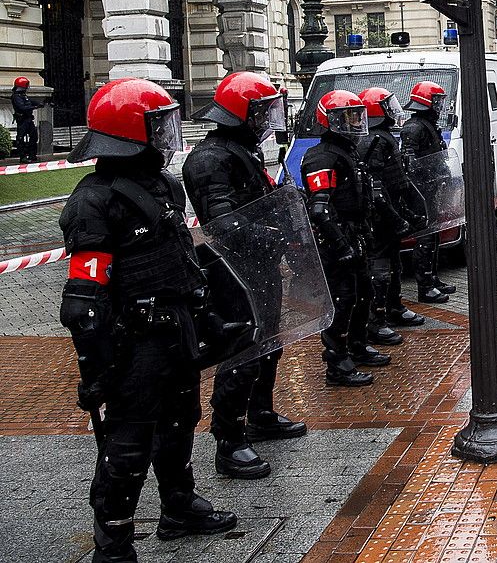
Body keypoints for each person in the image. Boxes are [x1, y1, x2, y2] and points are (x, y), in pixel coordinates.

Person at [60, 78, 237, 562]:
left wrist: (207, 316)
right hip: (132, 343)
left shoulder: (163, 184)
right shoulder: (94, 201)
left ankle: (178, 508)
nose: (165, 136)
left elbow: (180, 258)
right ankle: (113, 544)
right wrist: (95, 369)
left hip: (175, 330)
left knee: (181, 419)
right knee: (128, 444)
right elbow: (83, 300)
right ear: (128, 134)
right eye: (156, 126)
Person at [182, 72, 306, 481]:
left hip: (260, 265)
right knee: (242, 350)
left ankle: (261, 414)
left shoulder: (240, 151)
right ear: (239, 114)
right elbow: (223, 222)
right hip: (232, 271)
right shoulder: (210, 159)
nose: (265, 119)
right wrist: (270, 234)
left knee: (268, 343)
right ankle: (229, 440)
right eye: (260, 111)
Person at [302, 90, 383, 387]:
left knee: (364, 293)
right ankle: (336, 362)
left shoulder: (348, 150)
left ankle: (357, 345)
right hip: (336, 239)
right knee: (342, 299)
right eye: (347, 116)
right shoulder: (321, 156)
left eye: (356, 115)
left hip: (355, 233)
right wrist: (340, 244)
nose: (354, 121)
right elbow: (320, 208)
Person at [358, 87, 426, 333]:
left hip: (390, 208)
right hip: (379, 215)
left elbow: (396, 179)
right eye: (387, 106)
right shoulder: (373, 140)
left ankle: (394, 307)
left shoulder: (382, 136)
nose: (393, 111)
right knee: (380, 267)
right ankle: (377, 318)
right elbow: (377, 186)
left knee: (394, 263)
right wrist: (394, 217)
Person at [400, 81, 455, 304]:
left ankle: (432, 278)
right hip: (421, 191)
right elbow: (410, 161)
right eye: (436, 101)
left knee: (433, 235)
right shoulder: (414, 127)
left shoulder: (428, 125)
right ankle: (424, 286)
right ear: (427, 103)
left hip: (431, 187)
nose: (439, 106)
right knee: (424, 238)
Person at [11, 76, 45, 162]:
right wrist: (35, 107)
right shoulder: (16, 96)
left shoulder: (23, 95)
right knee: (20, 138)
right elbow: (22, 107)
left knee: (34, 137)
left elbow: (29, 101)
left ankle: (32, 155)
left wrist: (40, 103)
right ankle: (22, 157)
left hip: (29, 119)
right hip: (22, 120)